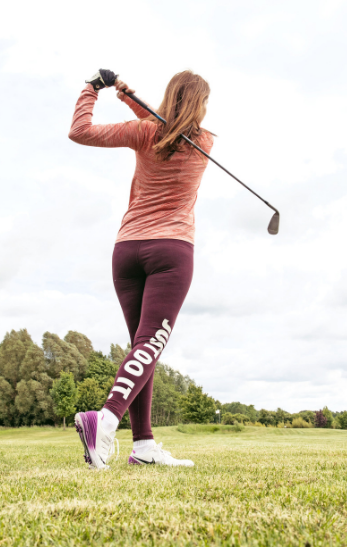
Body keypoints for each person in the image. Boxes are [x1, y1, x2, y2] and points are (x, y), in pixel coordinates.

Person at [68, 70, 214, 468]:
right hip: (172, 250)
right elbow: (166, 123)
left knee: (141, 348)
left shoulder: (143, 132)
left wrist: (93, 89)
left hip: (126, 250)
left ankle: (144, 446)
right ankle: (106, 419)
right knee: (149, 345)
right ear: (201, 105)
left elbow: (79, 131)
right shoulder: (204, 143)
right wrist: (129, 98)